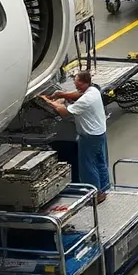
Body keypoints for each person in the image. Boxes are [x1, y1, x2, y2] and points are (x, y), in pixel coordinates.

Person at [41, 72, 110, 203]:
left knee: (88, 166)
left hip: (89, 136)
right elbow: (78, 94)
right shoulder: (93, 91)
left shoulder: (85, 101)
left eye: (77, 83)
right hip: (100, 133)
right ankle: (104, 189)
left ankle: (94, 194)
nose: (75, 86)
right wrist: (61, 94)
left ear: (84, 83)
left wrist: (47, 101)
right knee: (100, 162)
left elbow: (64, 110)